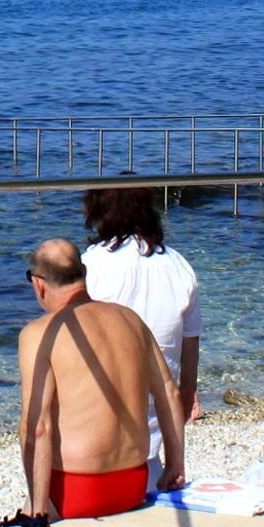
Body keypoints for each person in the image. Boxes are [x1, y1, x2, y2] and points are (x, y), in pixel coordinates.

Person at [11, 239, 185, 527]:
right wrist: (175, 466)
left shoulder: (40, 332)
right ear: (84, 273)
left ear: (39, 284)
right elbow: (170, 392)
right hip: (132, 485)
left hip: (75, 492)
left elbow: (36, 427)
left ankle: (36, 512)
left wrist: (38, 513)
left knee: (24, 512)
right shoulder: (130, 319)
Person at [81, 186, 202, 478]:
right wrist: (188, 390)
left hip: (101, 404)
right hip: (159, 406)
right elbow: (190, 340)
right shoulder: (179, 264)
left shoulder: (91, 262)